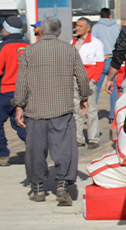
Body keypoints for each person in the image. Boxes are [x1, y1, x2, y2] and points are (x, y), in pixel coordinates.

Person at [13, 17, 91, 205]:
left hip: (35, 110)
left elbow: (21, 81)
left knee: (35, 150)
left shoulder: (29, 52)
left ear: (42, 31)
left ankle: (38, 189)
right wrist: (84, 97)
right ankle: (62, 185)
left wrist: (18, 105)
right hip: (62, 109)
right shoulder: (69, 49)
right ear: (59, 32)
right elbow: (82, 76)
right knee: (65, 148)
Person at [0, 16, 29, 166]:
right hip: (24, 93)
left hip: (5, 92)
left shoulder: (3, 47)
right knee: (21, 123)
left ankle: (1, 155)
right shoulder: (29, 46)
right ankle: (36, 150)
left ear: (7, 30)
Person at [72, 17, 106, 149]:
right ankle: (78, 138)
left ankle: (93, 139)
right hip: (74, 81)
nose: (77, 28)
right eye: (77, 25)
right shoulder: (73, 42)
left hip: (88, 81)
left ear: (88, 28)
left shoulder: (96, 43)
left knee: (90, 110)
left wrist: (93, 80)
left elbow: (100, 64)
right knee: (76, 110)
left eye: (80, 26)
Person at [92, 8, 121, 122]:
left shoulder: (97, 27)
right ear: (110, 16)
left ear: (100, 16)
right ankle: (112, 116)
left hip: (101, 60)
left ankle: (92, 113)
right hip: (114, 61)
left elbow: (93, 42)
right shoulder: (117, 27)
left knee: (96, 88)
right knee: (113, 87)